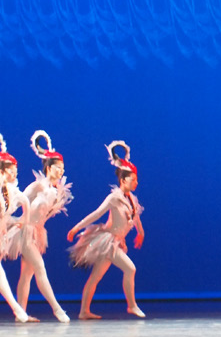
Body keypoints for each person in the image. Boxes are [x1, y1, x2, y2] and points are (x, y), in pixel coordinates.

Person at [66, 141, 146, 319]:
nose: (136, 183)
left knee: (95, 277)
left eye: (136, 179)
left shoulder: (131, 199)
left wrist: (141, 233)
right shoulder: (114, 198)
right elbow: (96, 214)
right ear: (123, 180)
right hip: (108, 242)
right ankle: (132, 305)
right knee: (130, 269)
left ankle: (83, 311)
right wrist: (76, 228)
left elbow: (136, 217)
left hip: (117, 242)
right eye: (133, 179)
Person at [4, 130, 72, 322]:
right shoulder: (38, 186)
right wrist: (10, 221)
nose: (61, 171)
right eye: (58, 168)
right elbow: (17, 202)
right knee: (40, 267)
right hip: (24, 232)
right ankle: (57, 309)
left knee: (27, 274)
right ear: (49, 168)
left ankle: (21, 313)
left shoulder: (57, 191)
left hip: (37, 233)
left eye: (63, 168)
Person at [0, 137, 30, 322]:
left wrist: (23, 220)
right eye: (11, 171)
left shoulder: (8, 189)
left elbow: (25, 201)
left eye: (16, 171)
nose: (15, 174)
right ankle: (16, 307)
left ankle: (16, 307)